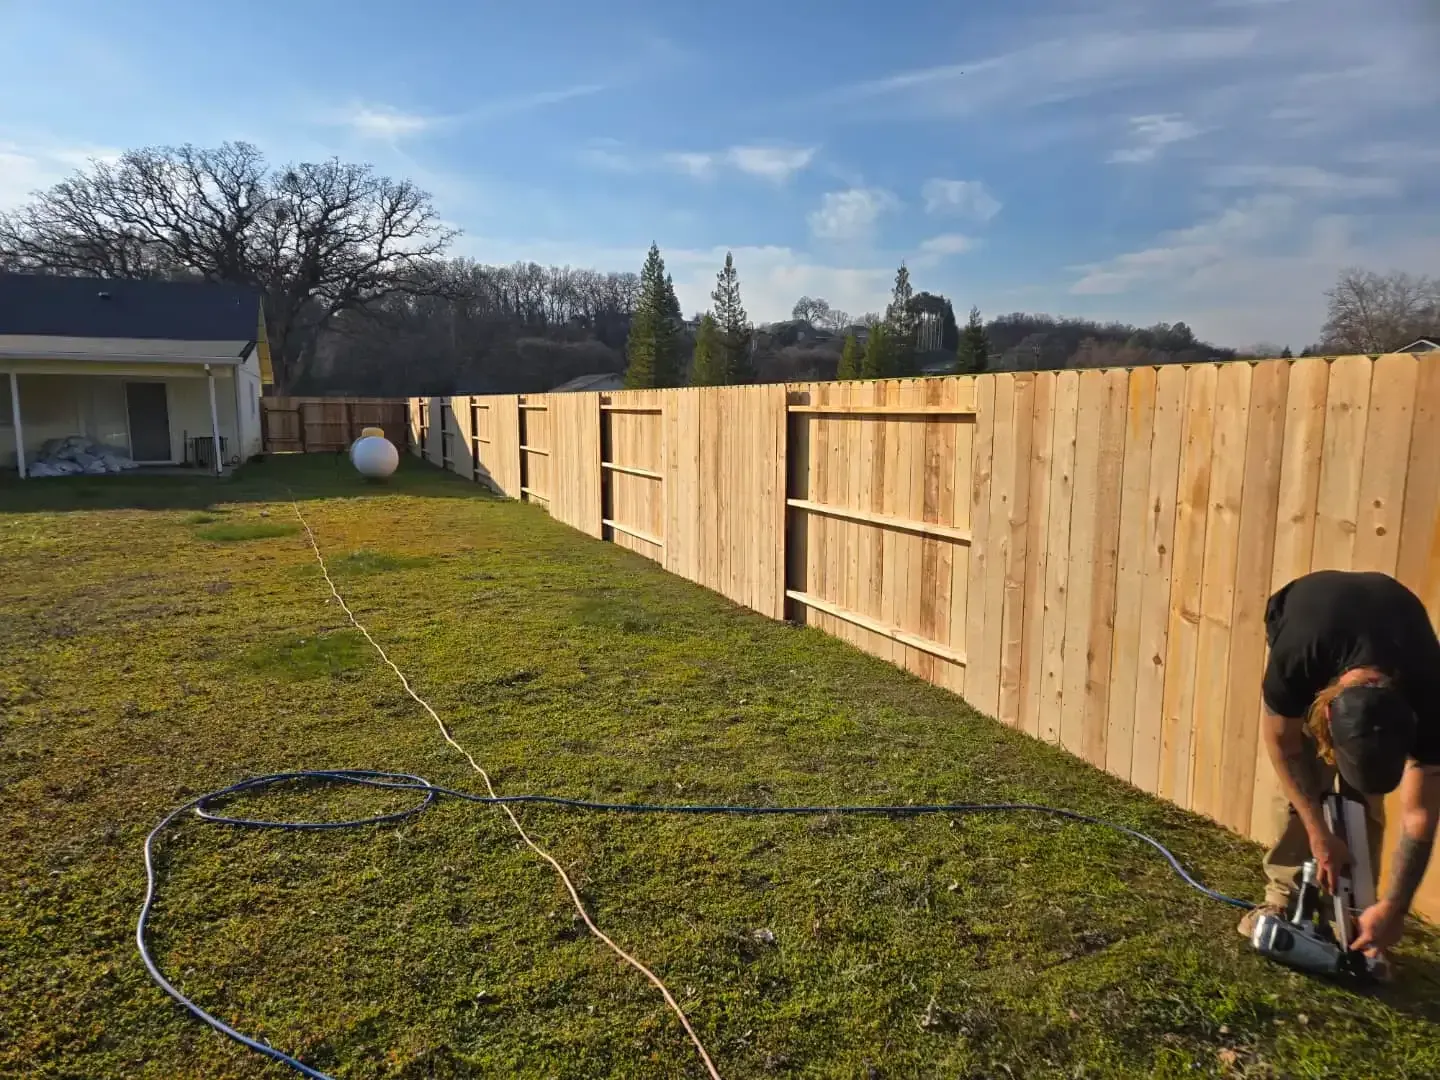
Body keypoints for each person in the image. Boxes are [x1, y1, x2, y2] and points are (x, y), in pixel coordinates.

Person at [1238, 570, 1440, 966]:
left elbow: (1421, 815)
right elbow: (1283, 745)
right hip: (1307, 618)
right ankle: (1281, 897)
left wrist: (1395, 908)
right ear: (1327, 713)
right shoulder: (1298, 655)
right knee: (1304, 780)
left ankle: (1353, 913)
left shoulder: (1432, 699)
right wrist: (1318, 833)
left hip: (1382, 628)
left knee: (1363, 796)